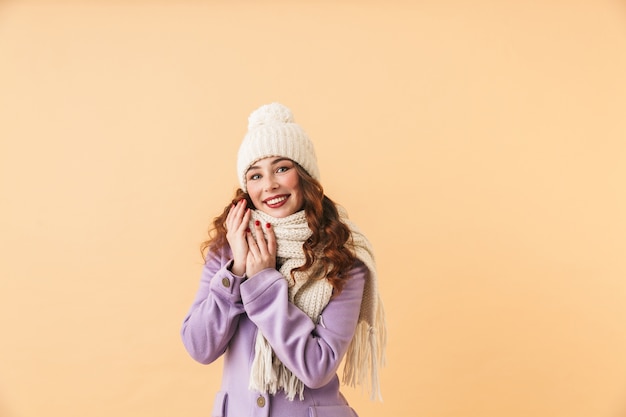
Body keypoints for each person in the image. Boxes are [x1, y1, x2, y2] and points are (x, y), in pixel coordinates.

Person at [180, 102, 386, 417]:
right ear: (246, 188)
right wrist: (236, 271)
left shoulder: (343, 256)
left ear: (304, 174)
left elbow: (318, 367)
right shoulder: (228, 248)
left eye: (282, 168)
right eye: (255, 175)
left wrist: (263, 282)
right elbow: (200, 346)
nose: (270, 185)